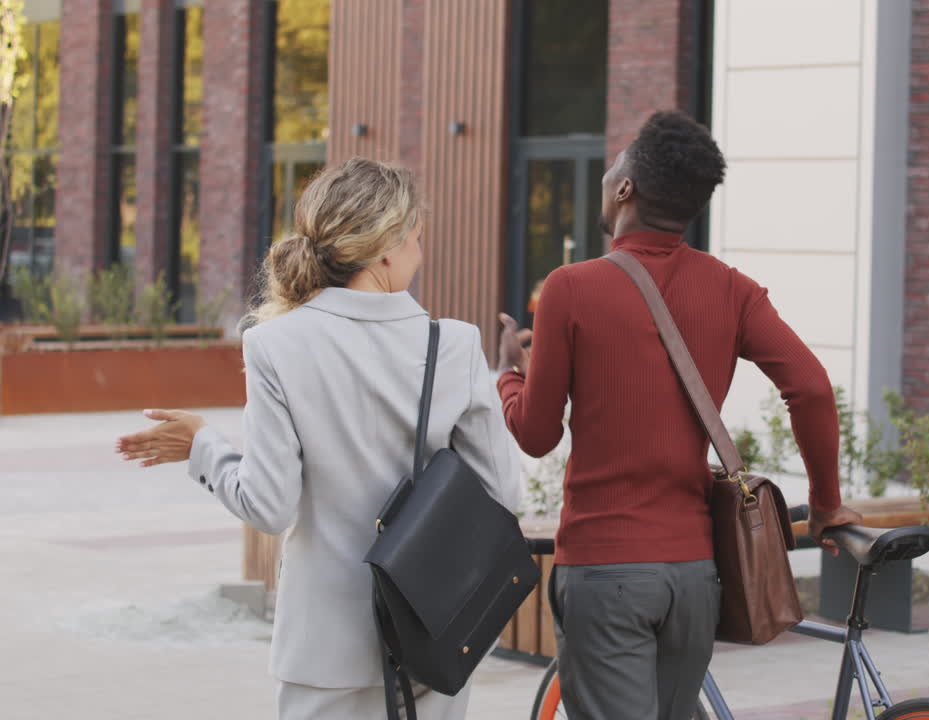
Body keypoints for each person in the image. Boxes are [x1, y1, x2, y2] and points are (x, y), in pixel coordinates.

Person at [115, 158, 519, 720]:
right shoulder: (453, 345)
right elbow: (505, 495)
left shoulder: (275, 345)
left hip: (322, 647)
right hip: (434, 634)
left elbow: (269, 506)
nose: (420, 255)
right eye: (417, 240)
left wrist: (204, 445)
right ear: (385, 248)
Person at [495, 110, 864, 720]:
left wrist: (511, 374)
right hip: (694, 575)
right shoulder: (733, 289)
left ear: (626, 189)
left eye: (619, 159)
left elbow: (536, 436)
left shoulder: (570, 287)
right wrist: (826, 501)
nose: (611, 166)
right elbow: (813, 389)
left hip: (604, 567)